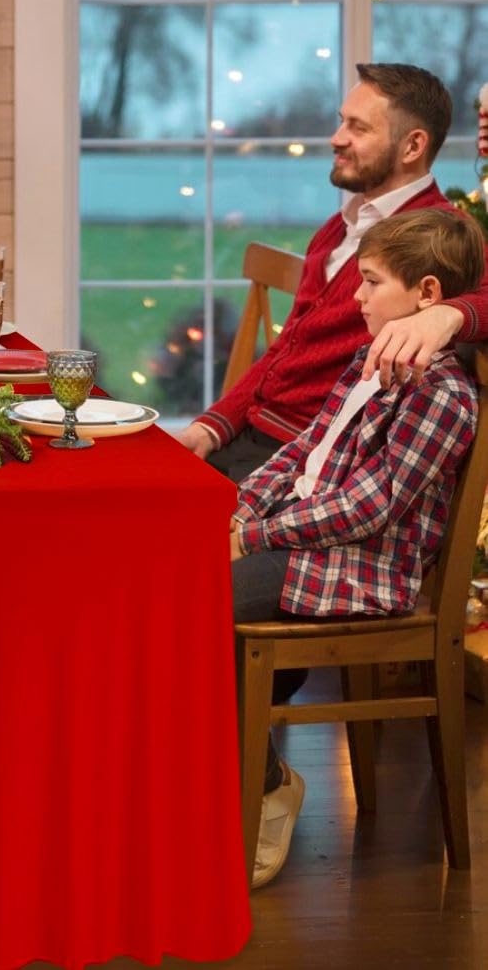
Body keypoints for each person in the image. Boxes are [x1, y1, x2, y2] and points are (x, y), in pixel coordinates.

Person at [230, 207, 484, 889]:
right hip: (309, 545)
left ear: (427, 296)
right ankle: (213, 778)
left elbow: (368, 507)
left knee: (201, 600)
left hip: (360, 571)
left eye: (370, 283)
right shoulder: (367, 362)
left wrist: (252, 535)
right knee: (174, 580)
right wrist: (243, 508)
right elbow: (301, 452)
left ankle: (267, 788)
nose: (357, 297)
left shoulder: (442, 393)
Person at [177, 62, 488, 484]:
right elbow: (287, 347)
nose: (336, 138)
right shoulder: (338, 227)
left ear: (412, 146)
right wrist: (213, 426)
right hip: (254, 438)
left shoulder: (436, 235)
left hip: (309, 463)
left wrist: (448, 314)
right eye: (343, 122)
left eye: (358, 128)